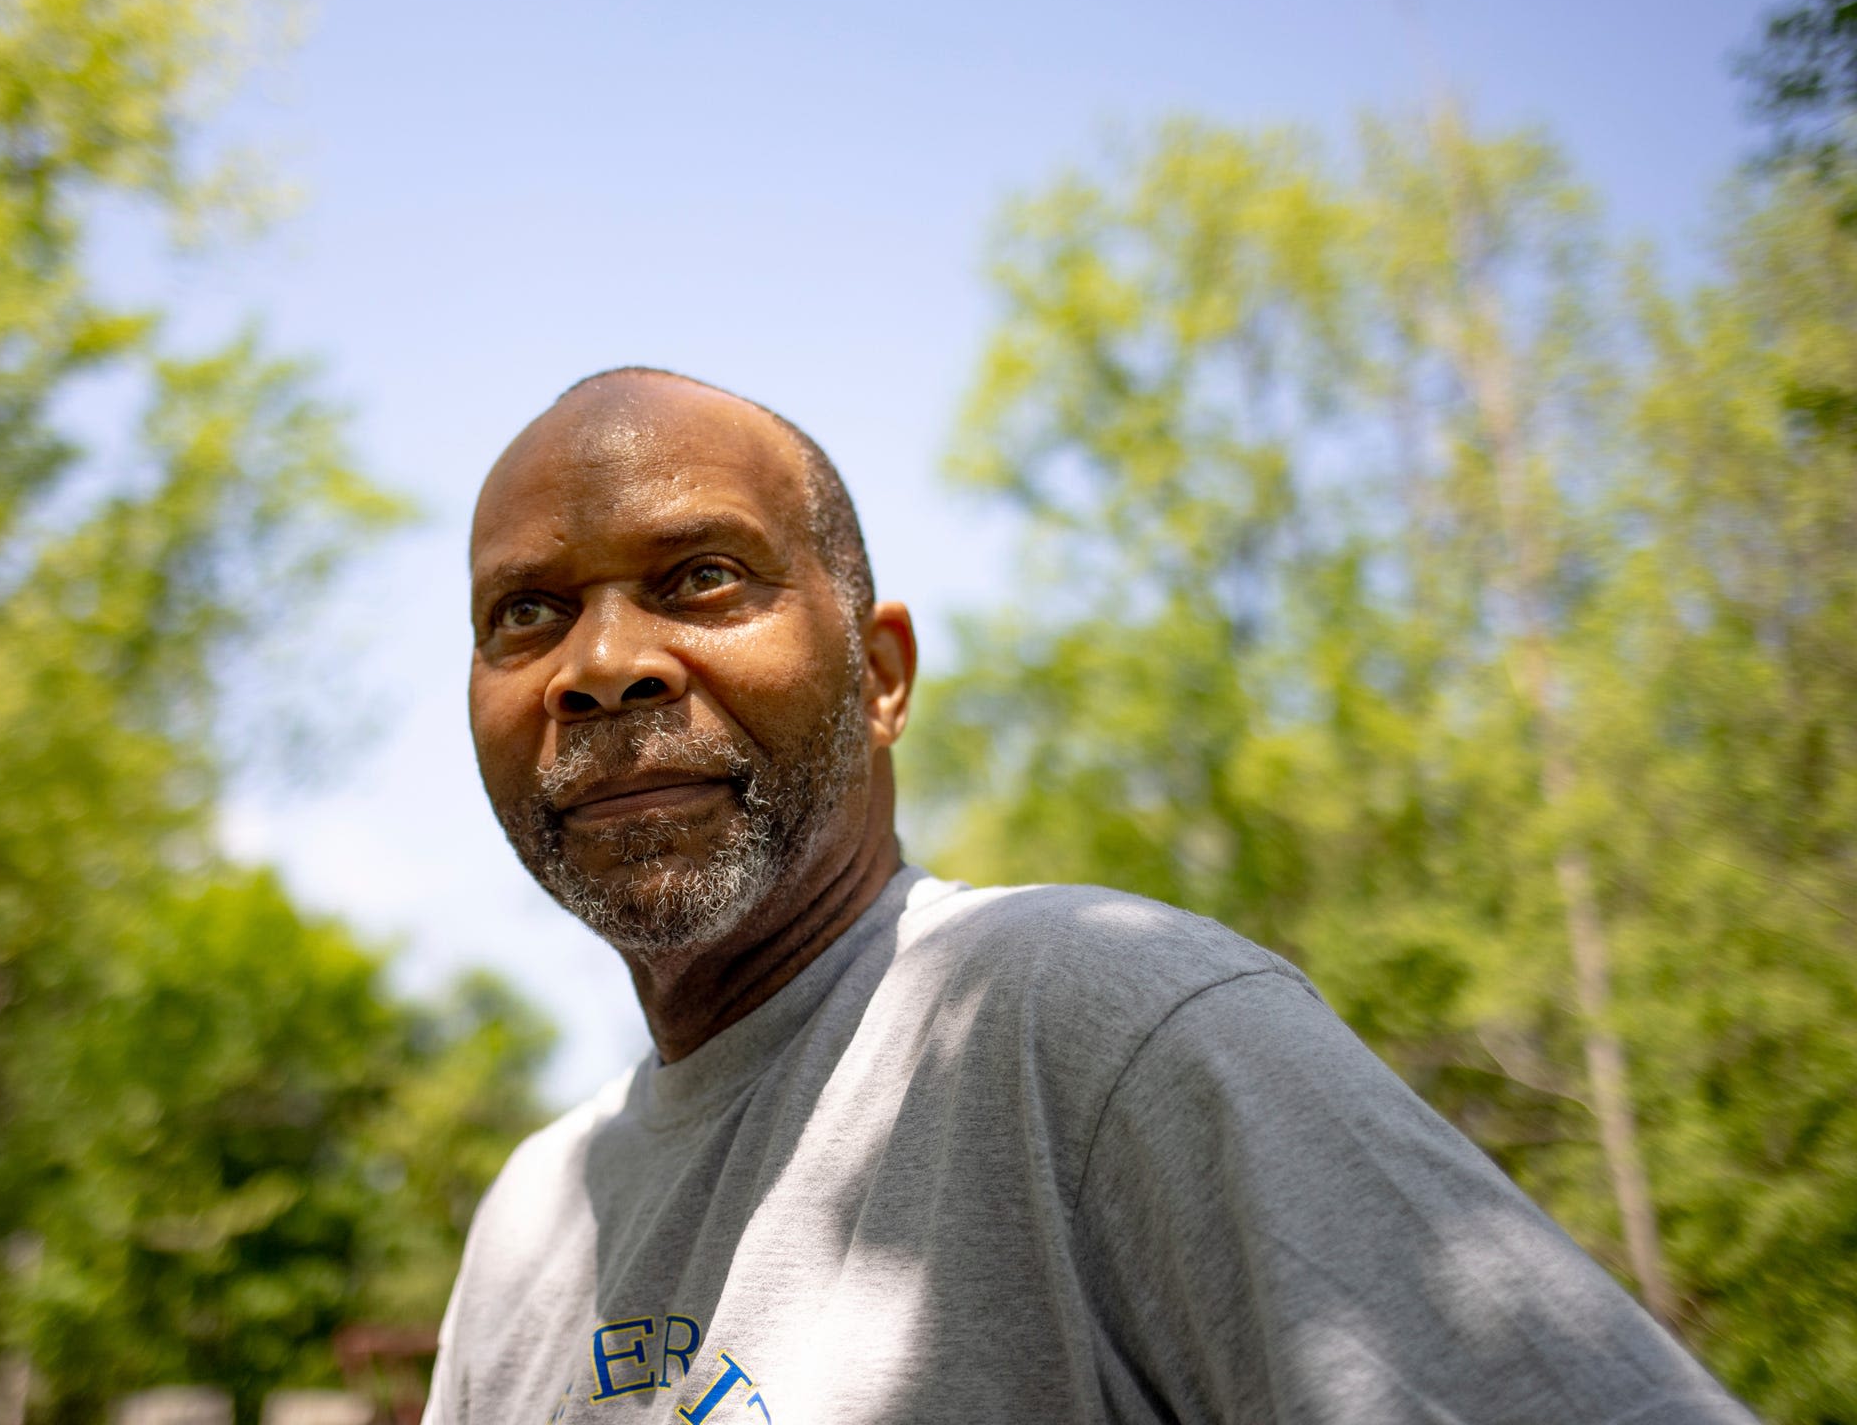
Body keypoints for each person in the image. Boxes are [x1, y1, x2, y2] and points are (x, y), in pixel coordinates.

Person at [424, 367, 1750, 1425]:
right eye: (526, 614)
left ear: (880, 679)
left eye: (699, 577)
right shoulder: (533, 1215)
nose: (599, 666)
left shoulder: (1099, 1023)